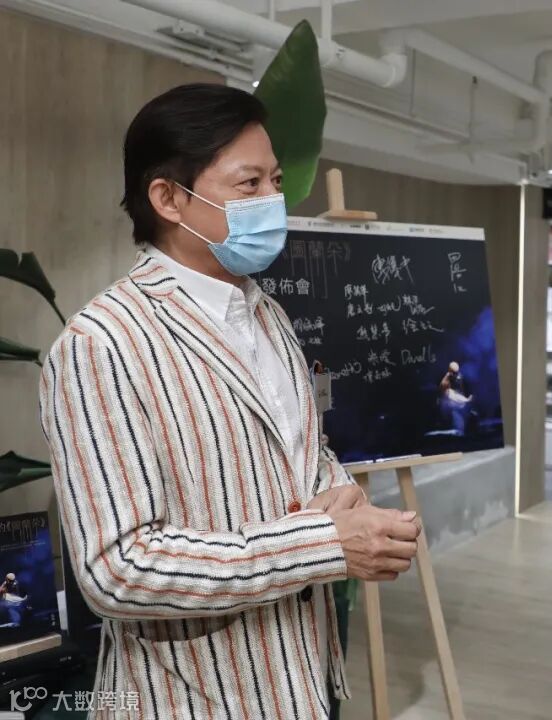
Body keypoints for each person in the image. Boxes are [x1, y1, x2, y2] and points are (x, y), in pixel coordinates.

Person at [38, 84, 421, 720]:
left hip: (300, 677)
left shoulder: (267, 314)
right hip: (190, 696)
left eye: (276, 181)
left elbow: (300, 451)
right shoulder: (101, 344)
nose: (274, 201)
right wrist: (321, 543)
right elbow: (118, 569)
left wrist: (340, 493)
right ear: (168, 198)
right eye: (249, 184)